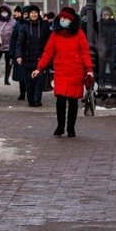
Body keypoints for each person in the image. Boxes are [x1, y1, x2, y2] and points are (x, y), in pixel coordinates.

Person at [31, 7, 93, 137]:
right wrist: (39, 68)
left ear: (71, 20)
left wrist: (89, 70)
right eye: (61, 18)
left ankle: (71, 128)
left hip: (76, 72)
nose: (62, 20)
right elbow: (48, 53)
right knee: (60, 101)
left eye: (65, 18)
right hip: (61, 72)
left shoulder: (79, 34)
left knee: (73, 102)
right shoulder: (55, 35)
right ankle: (60, 127)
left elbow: (85, 53)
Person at [15, 5, 50, 107]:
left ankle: (37, 100)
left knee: (39, 81)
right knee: (29, 82)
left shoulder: (44, 26)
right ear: (29, 14)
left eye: (35, 12)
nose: (34, 14)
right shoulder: (24, 27)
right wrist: (18, 56)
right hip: (27, 58)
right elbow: (19, 43)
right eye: (32, 13)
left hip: (40, 58)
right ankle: (31, 100)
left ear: (38, 14)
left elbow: (48, 42)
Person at [0, 4, 16, 85]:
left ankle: (6, 79)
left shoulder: (13, 22)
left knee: (8, 64)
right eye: (2, 11)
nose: (4, 13)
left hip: (9, 46)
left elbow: (15, 34)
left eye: (5, 11)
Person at [97, 6, 116, 89]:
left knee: (113, 68)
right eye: (104, 14)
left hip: (112, 49)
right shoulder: (99, 25)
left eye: (107, 14)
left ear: (110, 15)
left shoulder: (115, 24)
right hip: (102, 50)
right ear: (101, 15)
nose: (105, 16)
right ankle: (101, 83)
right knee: (101, 68)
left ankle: (114, 83)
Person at [10, 5, 27, 100]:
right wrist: (12, 52)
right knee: (21, 76)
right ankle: (22, 93)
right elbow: (13, 39)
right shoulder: (18, 24)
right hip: (19, 53)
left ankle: (30, 92)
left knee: (29, 75)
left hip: (30, 53)